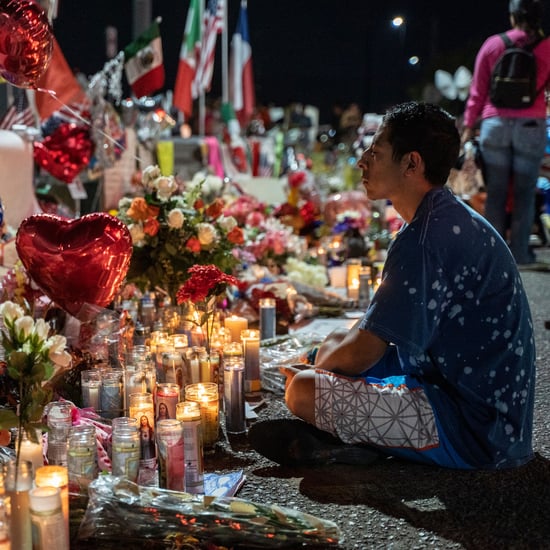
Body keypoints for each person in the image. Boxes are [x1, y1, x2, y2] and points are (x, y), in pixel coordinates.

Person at [249, 101, 536, 471]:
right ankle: (351, 438)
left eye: (376, 152)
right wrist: (326, 358)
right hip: (481, 404)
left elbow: (363, 350)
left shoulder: (425, 238)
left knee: (303, 389)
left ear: (411, 163)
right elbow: (375, 326)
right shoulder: (443, 217)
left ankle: (354, 439)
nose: (362, 161)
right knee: (324, 356)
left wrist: (322, 370)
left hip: (476, 431)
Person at [461, 0, 550, 269]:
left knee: (496, 192)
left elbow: (477, 90)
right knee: (524, 193)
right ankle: (521, 254)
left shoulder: (493, 44)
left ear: (512, 17)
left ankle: (494, 255)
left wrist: (468, 126)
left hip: (495, 125)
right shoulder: (547, 47)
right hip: (531, 126)